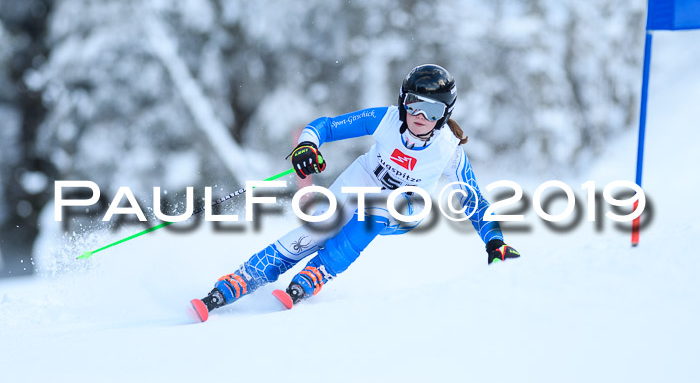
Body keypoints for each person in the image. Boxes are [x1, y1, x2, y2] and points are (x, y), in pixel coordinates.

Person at [191, 64, 520, 321]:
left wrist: (495, 242)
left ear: (445, 114)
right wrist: (308, 145)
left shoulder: (448, 149)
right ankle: (238, 281)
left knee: (374, 211)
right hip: (363, 178)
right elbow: (327, 126)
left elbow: (473, 199)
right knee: (316, 230)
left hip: (406, 205)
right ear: (402, 101)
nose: (420, 117)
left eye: (433, 112)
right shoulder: (386, 120)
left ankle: (318, 272)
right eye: (415, 105)